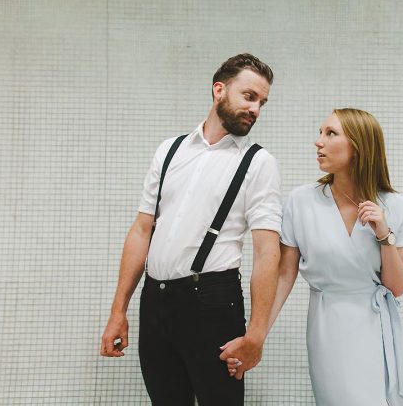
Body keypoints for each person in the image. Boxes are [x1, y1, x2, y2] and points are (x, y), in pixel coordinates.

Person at [100, 53, 282, 406]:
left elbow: (267, 251)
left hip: (213, 301)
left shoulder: (259, 163)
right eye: (249, 96)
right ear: (219, 90)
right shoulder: (169, 151)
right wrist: (118, 310)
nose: (256, 109)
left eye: (262, 102)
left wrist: (256, 334)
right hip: (155, 299)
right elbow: (141, 231)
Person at [234, 108, 403, 405]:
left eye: (330, 133)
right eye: (320, 132)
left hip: (377, 328)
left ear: (358, 146)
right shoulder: (301, 201)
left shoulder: (393, 205)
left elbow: (397, 286)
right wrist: (255, 336)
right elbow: (284, 275)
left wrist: (384, 234)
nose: (318, 142)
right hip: (328, 327)